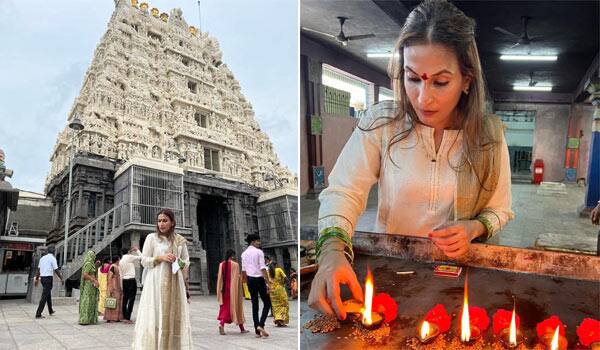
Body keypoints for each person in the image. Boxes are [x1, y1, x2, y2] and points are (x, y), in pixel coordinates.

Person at [308, 0, 514, 321]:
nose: (423, 97)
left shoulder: (488, 135)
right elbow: (343, 191)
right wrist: (332, 250)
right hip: (391, 270)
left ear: (467, 81)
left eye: (440, 82)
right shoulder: (382, 123)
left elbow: (500, 209)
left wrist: (474, 227)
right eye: (412, 78)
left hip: (456, 277)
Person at [132, 209, 192, 349]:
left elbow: (186, 262)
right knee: (156, 313)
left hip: (174, 282)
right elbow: (144, 260)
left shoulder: (179, 240)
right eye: (159, 221)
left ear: (172, 223)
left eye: (165, 220)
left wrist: (176, 260)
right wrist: (160, 258)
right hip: (155, 282)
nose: (161, 224)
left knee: (172, 315)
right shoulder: (151, 238)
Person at [241, 234, 271, 338]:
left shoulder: (244, 254)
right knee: (267, 303)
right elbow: (263, 268)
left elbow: (243, 271)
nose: (259, 243)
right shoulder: (259, 252)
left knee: (255, 305)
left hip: (250, 280)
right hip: (259, 279)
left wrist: (246, 283)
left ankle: (257, 331)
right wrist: (268, 282)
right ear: (253, 242)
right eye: (258, 241)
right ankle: (261, 325)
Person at [216, 249, 249, 335]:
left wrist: (219, 291)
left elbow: (220, 278)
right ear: (233, 256)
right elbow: (238, 279)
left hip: (224, 290)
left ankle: (222, 324)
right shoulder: (236, 265)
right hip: (233, 290)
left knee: (225, 308)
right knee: (236, 307)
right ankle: (240, 328)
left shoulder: (221, 264)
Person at [34, 246, 63, 319]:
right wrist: (61, 278)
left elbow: (38, 270)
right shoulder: (53, 259)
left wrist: (37, 279)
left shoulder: (42, 258)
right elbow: (56, 270)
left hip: (43, 278)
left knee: (48, 293)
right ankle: (38, 313)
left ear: (47, 251)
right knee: (44, 296)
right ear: (54, 252)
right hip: (48, 278)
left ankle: (50, 310)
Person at [120, 246, 142, 324]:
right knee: (131, 298)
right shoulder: (129, 257)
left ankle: (125, 316)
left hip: (124, 280)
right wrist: (137, 250)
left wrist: (121, 286)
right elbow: (141, 257)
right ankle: (128, 317)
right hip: (131, 280)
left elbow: (120, 274)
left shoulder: (121, 260)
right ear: (128, 251)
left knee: (125, 298)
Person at [79, 250, 99, 325]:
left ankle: (90, 318)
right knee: (87, 300)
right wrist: (94, 280)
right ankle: (84, 318)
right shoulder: (88, 264)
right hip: (89, 284)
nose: (95, 256)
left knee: (91, 301)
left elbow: (92, 272)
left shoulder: (91, 264)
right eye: (94, 255)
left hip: (92, 285)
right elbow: (85, 275)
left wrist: (96, 265)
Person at [268, 261, 289, 327]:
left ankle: (278, 320)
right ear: (276, 265)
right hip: (280, 289)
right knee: (284, 304)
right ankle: (282, 321)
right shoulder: (279, 270)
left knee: (275, 306)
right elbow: (286, 279)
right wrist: (283, 283)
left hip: (272, 291)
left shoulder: (268, 272)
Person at [104, 256, 124, 322]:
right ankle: (109, 317)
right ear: (117, 260)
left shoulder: (116, 267)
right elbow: (109, 277)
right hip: (113, 286)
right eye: (119, 259)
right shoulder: (113, 266)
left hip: (117, 286)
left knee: (116, 302)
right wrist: (111, 287)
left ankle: (115, 317)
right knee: (112, 301)